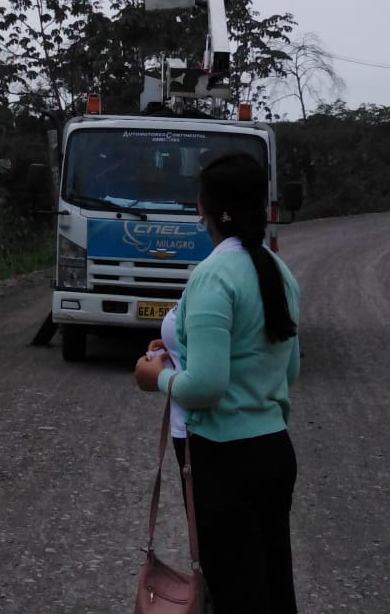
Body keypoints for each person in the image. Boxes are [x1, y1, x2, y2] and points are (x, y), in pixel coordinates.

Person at [135, 153, 301, 614]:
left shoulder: (212, 276)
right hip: (273, 449)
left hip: (223, 457)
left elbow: (206, 387)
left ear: (203, 207)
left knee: (234, 593)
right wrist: (183, 352)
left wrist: (157, 377)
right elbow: (287, 370)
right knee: (272, 586)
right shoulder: (278, 272)